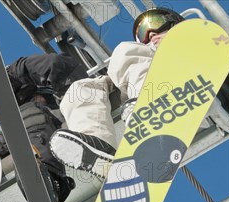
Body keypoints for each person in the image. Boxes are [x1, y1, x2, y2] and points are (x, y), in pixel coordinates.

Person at [49, 8, 185, 178]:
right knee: (79, 89)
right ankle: (99, 146)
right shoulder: (142, 57)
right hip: (140, 84)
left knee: (125, 51)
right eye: (142, 32)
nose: (150, 34)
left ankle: (147, 108)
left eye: (156, 23)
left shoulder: (202, 40)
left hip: (184, 91)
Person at [0, 53, 88, 202]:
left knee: (30, 117)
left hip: (67, 108)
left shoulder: (26, 79)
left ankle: (48, 175)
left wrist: (9, 75)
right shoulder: (18, 118)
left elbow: (58, 65)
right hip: (35, 126)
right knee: (15, 129)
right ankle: (38, 180)